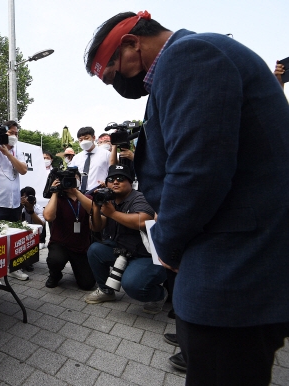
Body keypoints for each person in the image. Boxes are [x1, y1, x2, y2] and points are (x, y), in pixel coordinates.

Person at [84, 10, 289, 385]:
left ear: (132, 44)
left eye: (114, 74)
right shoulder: (199, 53)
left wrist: (168, 245)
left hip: (232, 270)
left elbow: (197, 172)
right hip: (235, 263)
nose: (118, 86)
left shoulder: (189, 55)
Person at [85, 165, 166, 314]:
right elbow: (96, 227)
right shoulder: (109, 200)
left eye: (120, 178)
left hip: (147, 255)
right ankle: (106, 291)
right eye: (111, 179)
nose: (115, 182)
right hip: (123, 250)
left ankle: (159, 295)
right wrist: (96, 206)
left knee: (132, 285)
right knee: (95, 250)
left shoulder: (140, 197)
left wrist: (113, 214)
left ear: (130, 182)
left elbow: (142, 221)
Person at [0, 120, 29, 281]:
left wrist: (7, 153)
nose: (14, 136)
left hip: (14, 203)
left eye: (16, 133)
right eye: (11, 133)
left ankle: (13, 267)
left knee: (13, 237)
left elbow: (23, 170)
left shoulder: (16, 151)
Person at [43, 170, 96, 290]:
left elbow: (93, 210)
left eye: (74, 179)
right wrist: (55, 193)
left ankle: (78, 269)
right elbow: (48, 217)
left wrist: (76, 192)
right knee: (55, 260)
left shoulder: (86, 197)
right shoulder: (58, 199)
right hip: (60, 244)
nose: (70, 182)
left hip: (81, 246)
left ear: (79, 182)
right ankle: (55, 275)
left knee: (87, 284)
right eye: (67, 179)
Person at [67, 127, 115, 193]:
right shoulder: (76, 158)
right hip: (80, 193)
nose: (84, 141)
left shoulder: (106, 154)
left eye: (86, 138)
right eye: (81, 140)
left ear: (93, 137)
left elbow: (113, 171)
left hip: (99, 191)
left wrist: (107, 183)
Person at [20, 186, 46, 271]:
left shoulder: (38, 208)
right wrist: (20, 207)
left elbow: (41, 224)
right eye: (24, 198)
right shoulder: (19, 207)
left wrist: (31, 210)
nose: (26, 200)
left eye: (28, 197)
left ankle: (28, 261)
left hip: (34, 234)